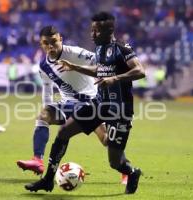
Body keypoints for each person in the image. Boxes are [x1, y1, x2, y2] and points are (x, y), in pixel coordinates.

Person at [25, 12, 145, 194]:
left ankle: (132, 172)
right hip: (98, 104)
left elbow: (139, 71)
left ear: (109, 30)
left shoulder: (122, 48)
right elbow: (100, 69)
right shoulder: (99, 48)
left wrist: (114, 79)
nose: (92, 34)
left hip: (119, 110)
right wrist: (76, 67)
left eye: (96, 31)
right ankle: (48, 180)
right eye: (92, 30)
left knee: (114, 161)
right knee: (64, 131)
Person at [17, 25, 109, 175]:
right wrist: (47, 111)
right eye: (46, 43)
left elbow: (101, 62)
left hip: (91, 102)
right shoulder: (44, 65)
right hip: (68, 104)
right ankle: (37, 160)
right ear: (41, 44)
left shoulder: (75, 53)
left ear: (61, 39)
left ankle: (123, 167)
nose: (50, 46)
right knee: (43, 116)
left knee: (106, 140)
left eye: (54, 41)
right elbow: (47, 92)